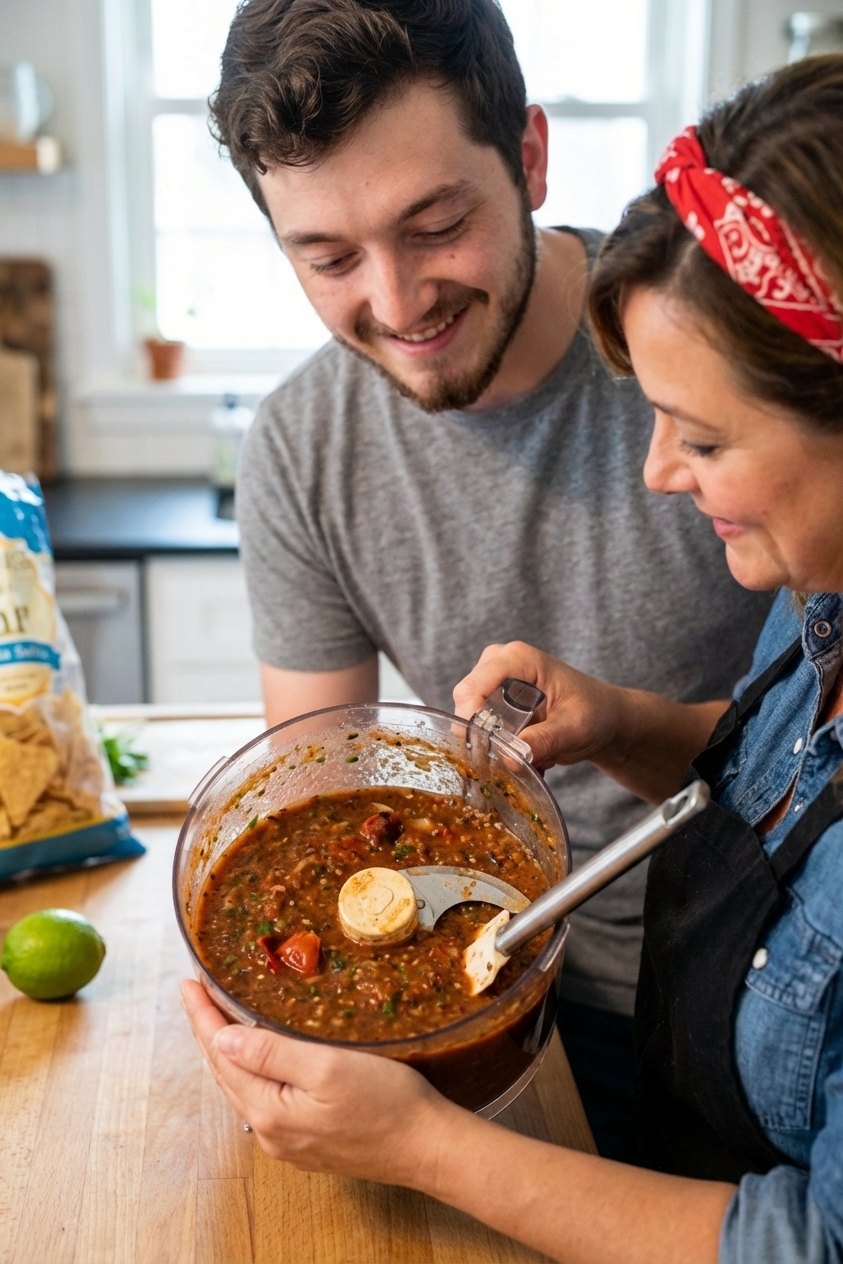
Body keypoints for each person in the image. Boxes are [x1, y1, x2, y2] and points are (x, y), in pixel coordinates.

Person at [184, 55, 843, 1262]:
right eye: (329, 257)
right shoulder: (820, 607)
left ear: (531, 159)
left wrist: (428, 1147)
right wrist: (624, 721)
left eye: (695, 435)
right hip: (643, 1061)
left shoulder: (774, 505)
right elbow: (778, 779)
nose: (392, 297)